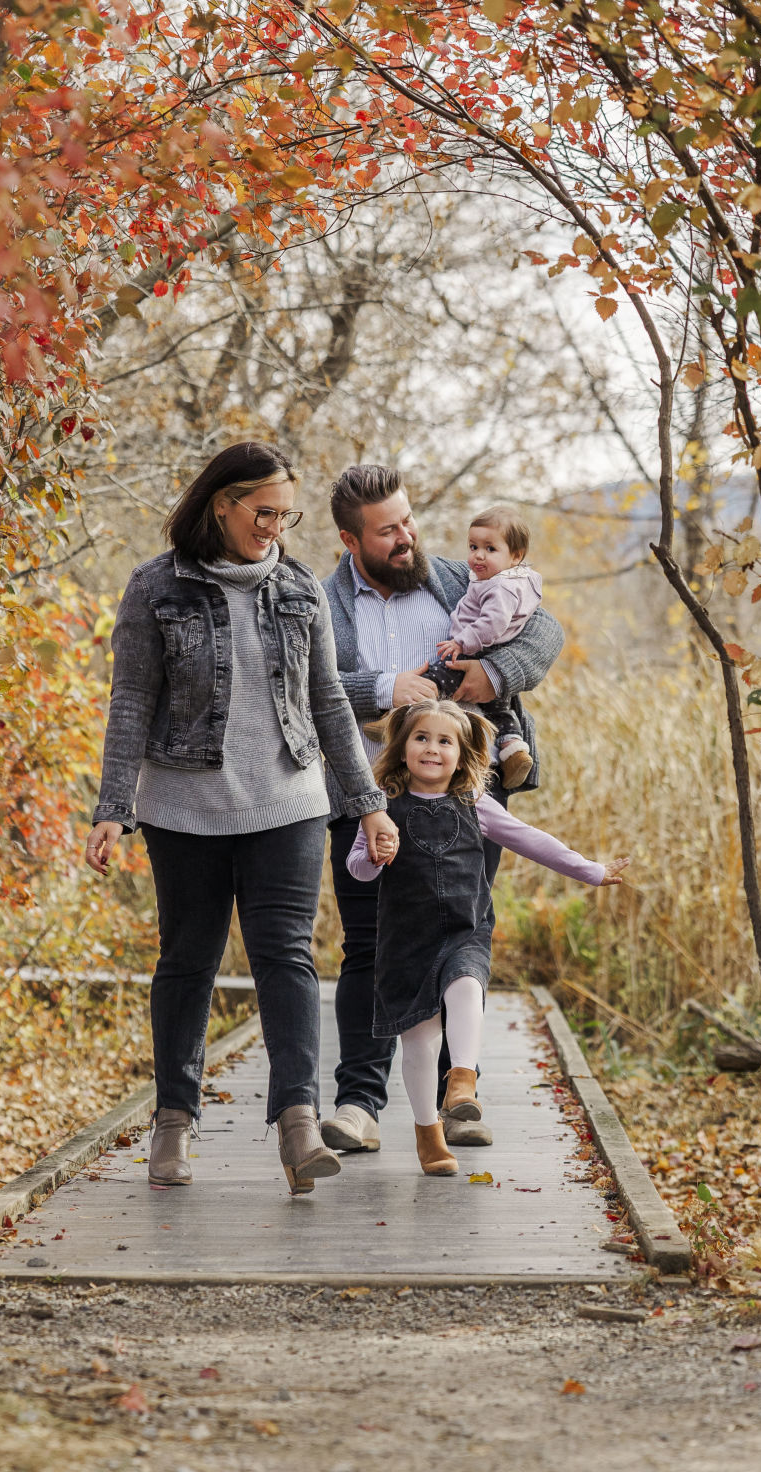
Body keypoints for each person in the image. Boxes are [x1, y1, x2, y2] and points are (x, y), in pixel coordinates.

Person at [85, 441, 394, 1196]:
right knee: (187, 960)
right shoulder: (155, 587)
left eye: (286, 514)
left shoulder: (298, 588)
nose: (276, 528)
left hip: (288, 799)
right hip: (184, 805)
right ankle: (173, 1123)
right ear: (221, 503)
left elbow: (328, 702)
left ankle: (297, 1123)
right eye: (264, 512)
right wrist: (112, 806)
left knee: (287, 958)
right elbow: (130, 702)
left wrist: (370, 805)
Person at [319, 464, 565, 1157]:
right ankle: (360, 1104)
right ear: (350, 538)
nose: (406, 537)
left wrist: (497, 674)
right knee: (369, 946)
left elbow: (545, 633)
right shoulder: (321, 601)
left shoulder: (460, 578)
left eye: (408, 520)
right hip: (365, 796)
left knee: (461, 938)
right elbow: (306, 684)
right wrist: (378, 687)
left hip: (463, 799)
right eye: (388, 530)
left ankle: (461, 1095)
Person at [347, 702, 628, 1175]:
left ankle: (461, 1080)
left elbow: (530, 838)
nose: (431, 749)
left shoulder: (475, 802)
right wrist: (376, 855)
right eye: (421, 738)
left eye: (444, 741)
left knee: (467, 987)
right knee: (419, 1041)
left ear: (462, 754)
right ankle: (428, 1134)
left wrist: (590, 870)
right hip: (406, 939)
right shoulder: (382, 803)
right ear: (401, 747)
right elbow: (356, 868)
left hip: (465, 927)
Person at [433, 504, 542, 790]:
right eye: (473, 546)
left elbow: (492, 623)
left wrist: (461, 642)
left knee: (438, 675)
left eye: (490, 549)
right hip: (494, 656)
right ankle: (514, 749)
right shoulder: (512, 580)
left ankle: (402, 713)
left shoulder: (500, 587)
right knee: (498, 709)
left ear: (515, 556)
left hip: (479, 650)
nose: (478, 555)